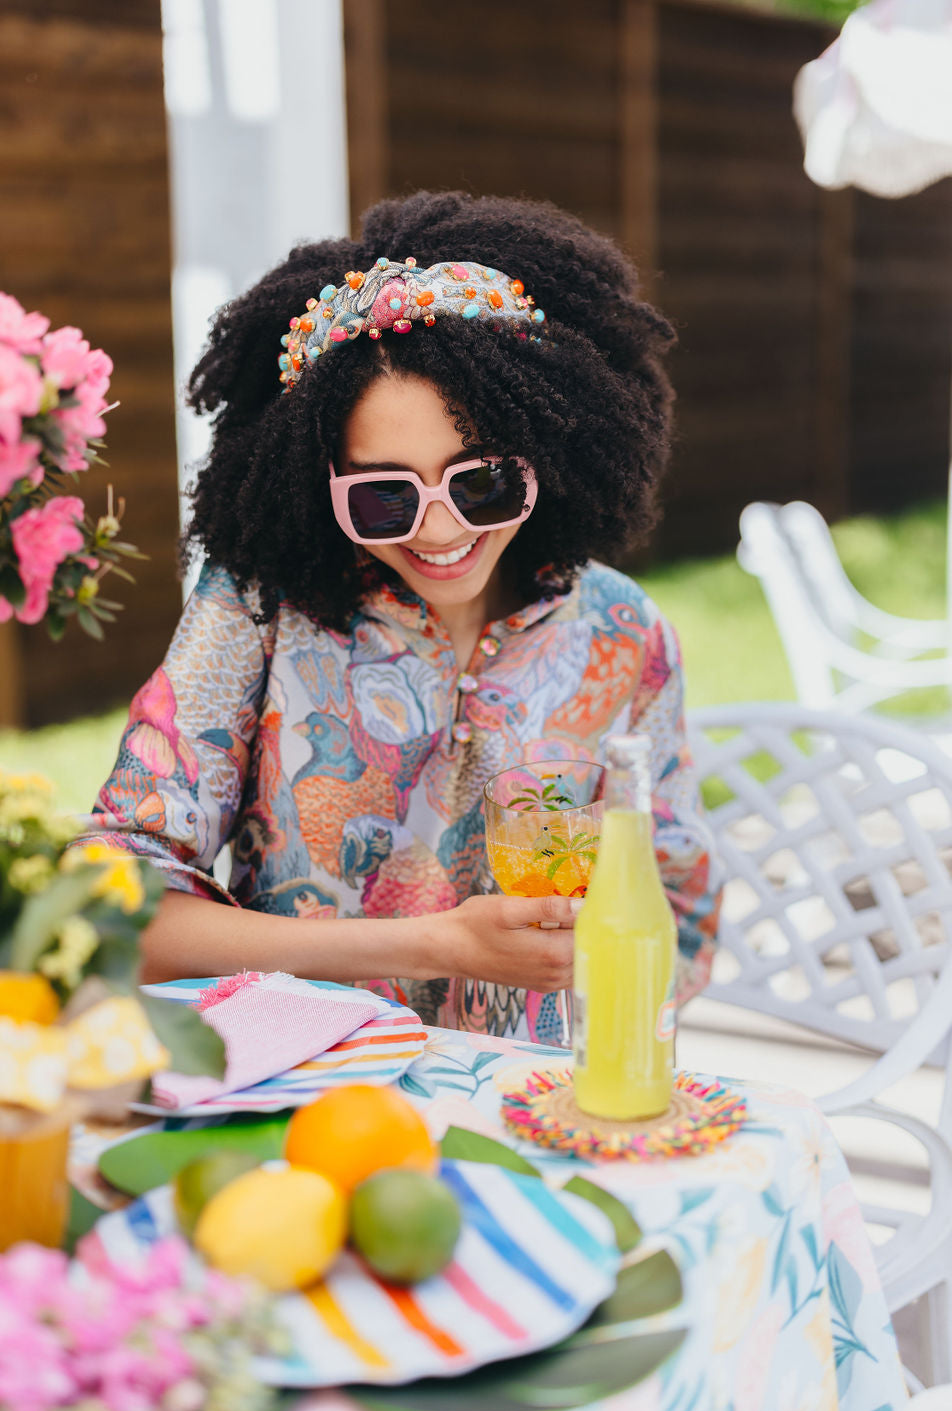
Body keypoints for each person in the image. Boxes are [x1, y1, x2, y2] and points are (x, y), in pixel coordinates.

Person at [86, 190, 721, 1037]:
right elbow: (111, 908)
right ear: (318, 484)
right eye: (384, 495)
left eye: (481, 480)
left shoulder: (625, 635)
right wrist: (439, 946)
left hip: (527, 1113)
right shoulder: (260, 604)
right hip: (294, 1094)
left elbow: (676, 913)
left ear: (554, 448)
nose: (441, 528)